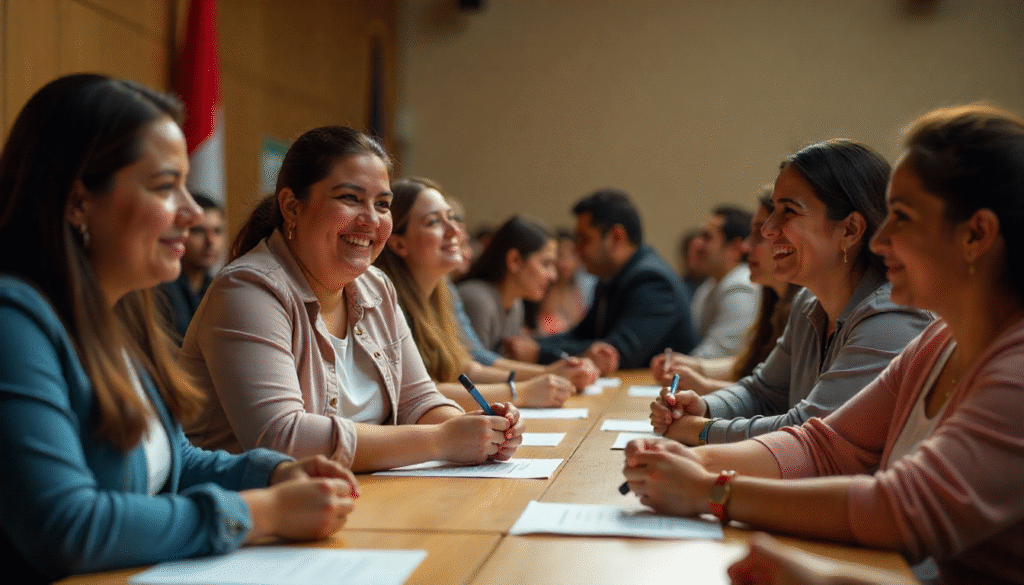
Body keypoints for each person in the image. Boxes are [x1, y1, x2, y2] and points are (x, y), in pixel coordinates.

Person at [625, 105, 1024, 584]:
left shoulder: (1014, 368)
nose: (882, 240)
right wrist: (691, 460)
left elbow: (899, 506)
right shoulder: (939, 343)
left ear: (976, 235)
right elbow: (825, 444)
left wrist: (712, 489)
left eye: (901, 217)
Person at [0, 74, 357, 583]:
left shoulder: (118, 311)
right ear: (78, 201)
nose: (191, 213)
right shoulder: (13, 321)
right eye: (166, 187)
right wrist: (261, 512)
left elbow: (168, 462)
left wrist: (273, 472)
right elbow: (66, 525)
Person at [180, 128, 523, 472]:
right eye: (350, 198)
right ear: (291, 206)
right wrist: (442, 440)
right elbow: (281, 438)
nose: (371, 219)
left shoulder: (377, 286)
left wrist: (477, 430)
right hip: (253, 514)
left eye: (383, 204)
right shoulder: (248, 290)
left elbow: (418, 400)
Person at [650, 140, 933, 445]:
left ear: (850, 229)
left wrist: (703, 429)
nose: (769, 229)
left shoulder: (891, 317)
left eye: (788, 211)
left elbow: (809, 432)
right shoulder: (808, 301)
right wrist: (703, 406)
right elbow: (763, 392)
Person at [375, 177, 582, 409]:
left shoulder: (445, 292)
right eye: (433, 222)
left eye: (451, 218)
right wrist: (521, 391)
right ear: (399, 244)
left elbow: (467, 367)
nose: (455, 230)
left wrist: (545, 375)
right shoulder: (386, 299)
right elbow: (419, 393)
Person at [503, 189, 697, 374]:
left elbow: (616, 354)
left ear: (616, 238)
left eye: (584, 239)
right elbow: (583, 335)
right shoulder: (613, 276)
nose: (577, 250)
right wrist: (533, 343)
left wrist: (538, 353)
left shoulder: (653, 281)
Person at [652, 193, 799, 394]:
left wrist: (703, 383)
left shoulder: (741, 285)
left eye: (759, 234)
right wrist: (695, 368)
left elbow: (777, 398)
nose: (747, 247)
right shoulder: (716, 287)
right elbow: (751, 365)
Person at [457, 215, 557, 351]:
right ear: (514, 260)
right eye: (546, 264)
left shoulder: (516, 305)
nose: (553, 276)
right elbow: (473, 367)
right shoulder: (477, 300)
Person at [686, 205, 759, 359]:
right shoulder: (709, 286)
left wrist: (675, 366)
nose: (697, 244)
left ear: (735, 248)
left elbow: (720, 353)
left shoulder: (741, 285)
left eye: (707, 237)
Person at [156, 192, 225, 342]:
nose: (210, 241)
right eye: (199, 231)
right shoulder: (159, 290)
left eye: (217, 231)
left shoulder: (219, 288)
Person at [535, 229, 597, 336]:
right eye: (561, 255)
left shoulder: (585, 289)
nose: (566, 263)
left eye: (572, 255)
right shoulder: (538, 289)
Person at [677, 229, 709, 301]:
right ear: (686, 256)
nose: (701, 257)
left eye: (703, 252)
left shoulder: (716, 285)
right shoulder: (677, 288)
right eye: (698, 253)